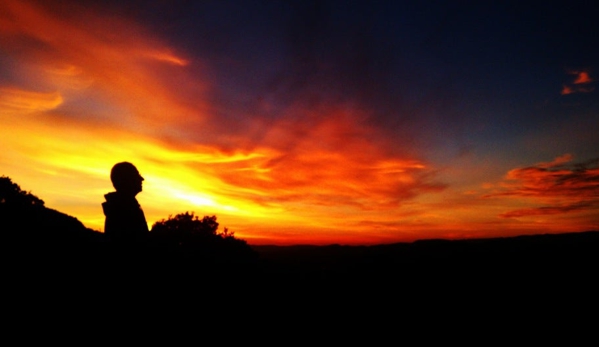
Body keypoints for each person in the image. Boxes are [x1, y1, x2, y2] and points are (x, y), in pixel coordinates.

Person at [102, 162, 149, 246]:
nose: (141, 179)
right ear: (126, 180)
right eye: (136, 175)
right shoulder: (124, 211)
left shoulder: (124, 207)